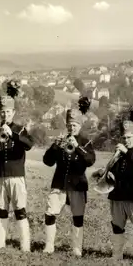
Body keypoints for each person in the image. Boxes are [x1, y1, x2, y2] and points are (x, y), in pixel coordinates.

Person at [0, 81, 34, 252]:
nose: (5, 114)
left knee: (20, 209)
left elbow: (29, 144)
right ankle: (0, 241)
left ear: (14, 112)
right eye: (2, 111)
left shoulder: (20, 129)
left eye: (8, 111)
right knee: (2, 209)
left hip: (16, 175)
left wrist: (14, 135)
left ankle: (25, 243)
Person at [42, 107, 96, 257]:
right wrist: (54, 147)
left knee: (78, 217)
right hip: (59, 183)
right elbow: (47, 161)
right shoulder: (61, 140)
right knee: (50, 212)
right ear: (66, 126)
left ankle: (77, 249)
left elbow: (90, 161)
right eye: (69, 125)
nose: (72, 128)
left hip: (78, 184)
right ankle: (49, 245)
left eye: (75, 125)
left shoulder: (86, 142)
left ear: (80, 126)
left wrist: (77, 147)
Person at [100, 118, 133, 265]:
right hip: (117, 195)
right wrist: (109, 174)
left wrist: (126, 152)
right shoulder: (119, 154)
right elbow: (114, 169)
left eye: (129, 137)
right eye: (124, 138)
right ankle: (117, 255)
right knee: (117, 226)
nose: (126, 140)